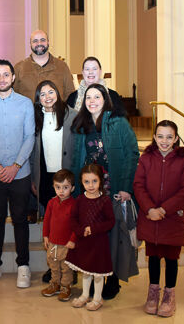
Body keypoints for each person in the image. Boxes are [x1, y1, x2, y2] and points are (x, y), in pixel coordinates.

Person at [71, 83, 139, 299]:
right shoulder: (81, 124)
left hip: (114, 187)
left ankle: (113, 279)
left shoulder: (118, 123)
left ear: (105, 99)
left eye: (97, 97)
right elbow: (76, 158)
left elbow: (132, 154)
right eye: (88, 97)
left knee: (113, 236)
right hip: (91, 189)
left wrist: (126, 188)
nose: (92, 101)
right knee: (94, 236)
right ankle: (93, 275)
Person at [0, 59, 35, 288]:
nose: (1, 78)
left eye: (5, 75)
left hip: (20, 173)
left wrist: (16, 166)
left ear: (12, 78)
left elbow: (29, 136)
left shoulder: (25, 104)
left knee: (20, 219)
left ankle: (23, 265)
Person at [133, 120, 184, 317]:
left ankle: (169, 296)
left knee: (171, 258)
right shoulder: (146, 157)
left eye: (169, 137)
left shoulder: (183, 160)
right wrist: (150, 209)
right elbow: (138, 185)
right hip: (150, 216)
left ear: (176, 138)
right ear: (154, 137)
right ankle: (153, 294)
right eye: (160, 136)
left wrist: (164, 209)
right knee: (153, 256)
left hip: (171, 217)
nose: (164, 141)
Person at [30, 80, 76, 284]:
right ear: (38, 99)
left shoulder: (71, 115)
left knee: (69, 225)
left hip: (66, 175)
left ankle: (70, 269)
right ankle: (54, 266)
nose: (47, 96)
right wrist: (33, 178)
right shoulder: (35, 118)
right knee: (54, 225)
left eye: (51, 91)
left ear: (58, 93)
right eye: (42, 94)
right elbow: (32, 152)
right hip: (46, 177)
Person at [65, 164, 115, 311]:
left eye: (94, 181)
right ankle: (85, 294)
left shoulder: (105, 201)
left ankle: (97, 298)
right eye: (87, 182)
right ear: (81, 182)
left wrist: (93, 229)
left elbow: (110, 221)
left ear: (101, 181)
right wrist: (80, 231)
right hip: (84, 242)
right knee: (86, 271)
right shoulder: (80, 199)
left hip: (99, 243)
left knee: (98, 273)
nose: (91, 185)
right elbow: (73, 219)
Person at [41, 169, 77, 301]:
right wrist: (45, 236)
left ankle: (66, 287)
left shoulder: (74, 205)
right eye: (58, 187)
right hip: (53, 243)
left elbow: (77, 226)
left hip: (66, 244)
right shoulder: (51, 203)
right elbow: (47, 220)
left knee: (66, 268)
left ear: (72, 188)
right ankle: (54, 284)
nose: (61, 191)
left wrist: (72, 240)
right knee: (53, 266)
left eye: (65, 187)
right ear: (54, 187)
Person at [14, 29, 75, 103]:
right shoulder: (19, 68)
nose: (39, 43)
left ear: (48, 42)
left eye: (43, 40)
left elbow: (70, 95)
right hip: (29, 114)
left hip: (57, 114)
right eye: (35, 41)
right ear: (30, 44)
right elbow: (14, 97)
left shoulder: (62, 66)